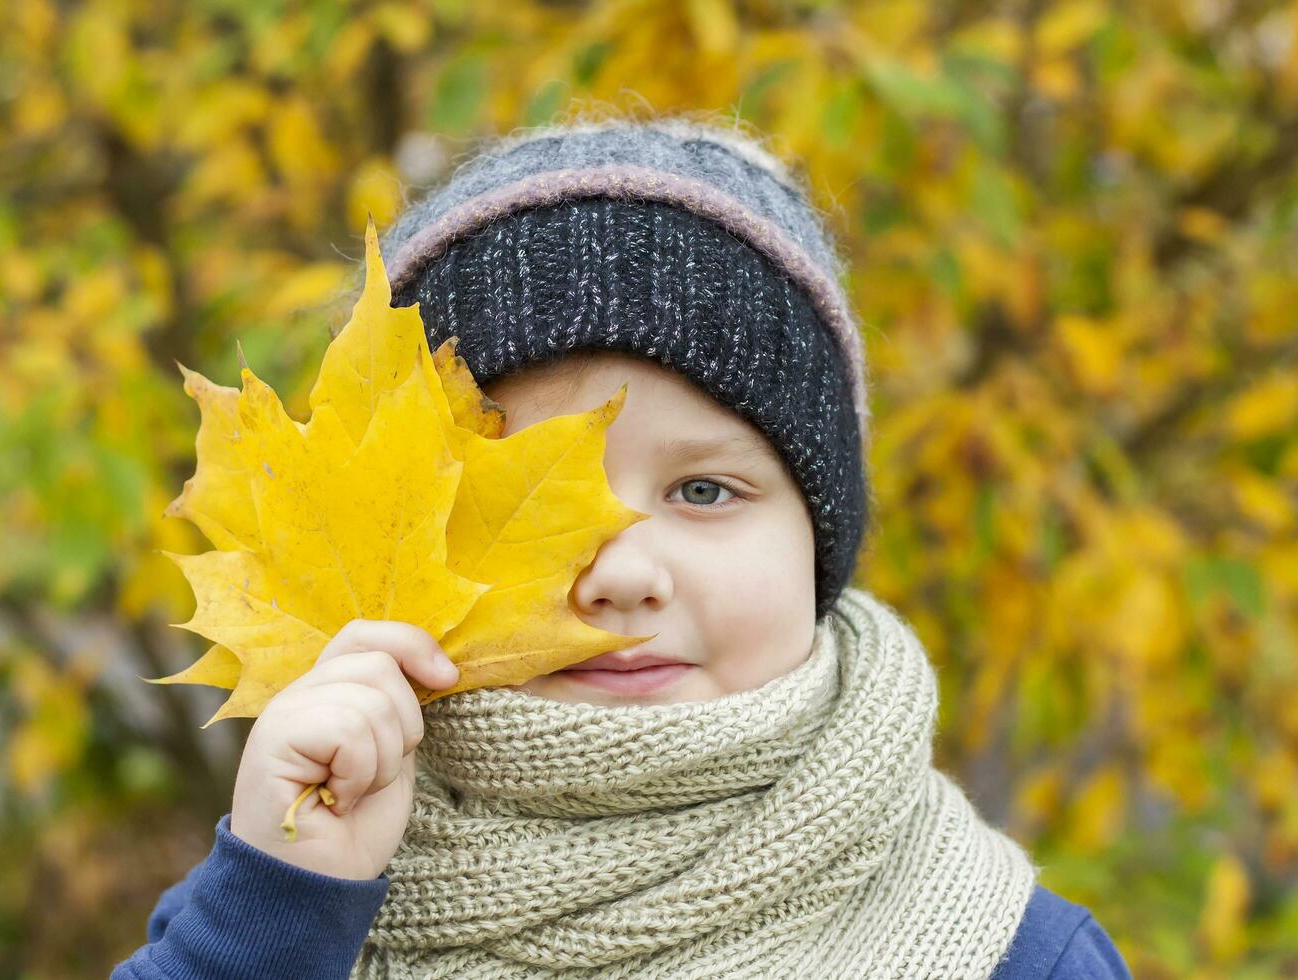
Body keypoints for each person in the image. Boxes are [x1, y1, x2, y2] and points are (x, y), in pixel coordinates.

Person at [113, 116, 1132, 979]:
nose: (623, 571)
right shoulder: (288, 897)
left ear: (819, 538)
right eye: (527, 502)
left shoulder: (1009, 951)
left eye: (703, 489)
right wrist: (279, 905)